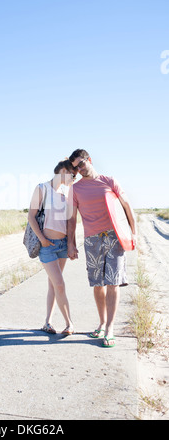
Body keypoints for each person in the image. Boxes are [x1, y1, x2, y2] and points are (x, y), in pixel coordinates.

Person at [67, 149, 136, 348]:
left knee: (113, 283)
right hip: (92, 240)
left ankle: (110, 329)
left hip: (114, 237)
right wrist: (71, 243)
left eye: (81, 164)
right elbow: (72, 218)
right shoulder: (76, 189)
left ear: (89, 160)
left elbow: (126, 205)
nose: (79, 170)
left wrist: (134, 232)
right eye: (75, 168)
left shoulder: (109, 181)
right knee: (98, 285)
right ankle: (102, 322)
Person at [28, 159, 75, 335]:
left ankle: (47, 323)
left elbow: (70, 223)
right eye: (73, 174)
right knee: (60, 284)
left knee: (54, 285)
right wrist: (42, 239)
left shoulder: (65, 194)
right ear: (63, 171)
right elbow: (31, 217)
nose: (75, 178)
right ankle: (70, 323)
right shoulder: (42, 189)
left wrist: (71, 245)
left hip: (62, 245)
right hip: (47, 246)